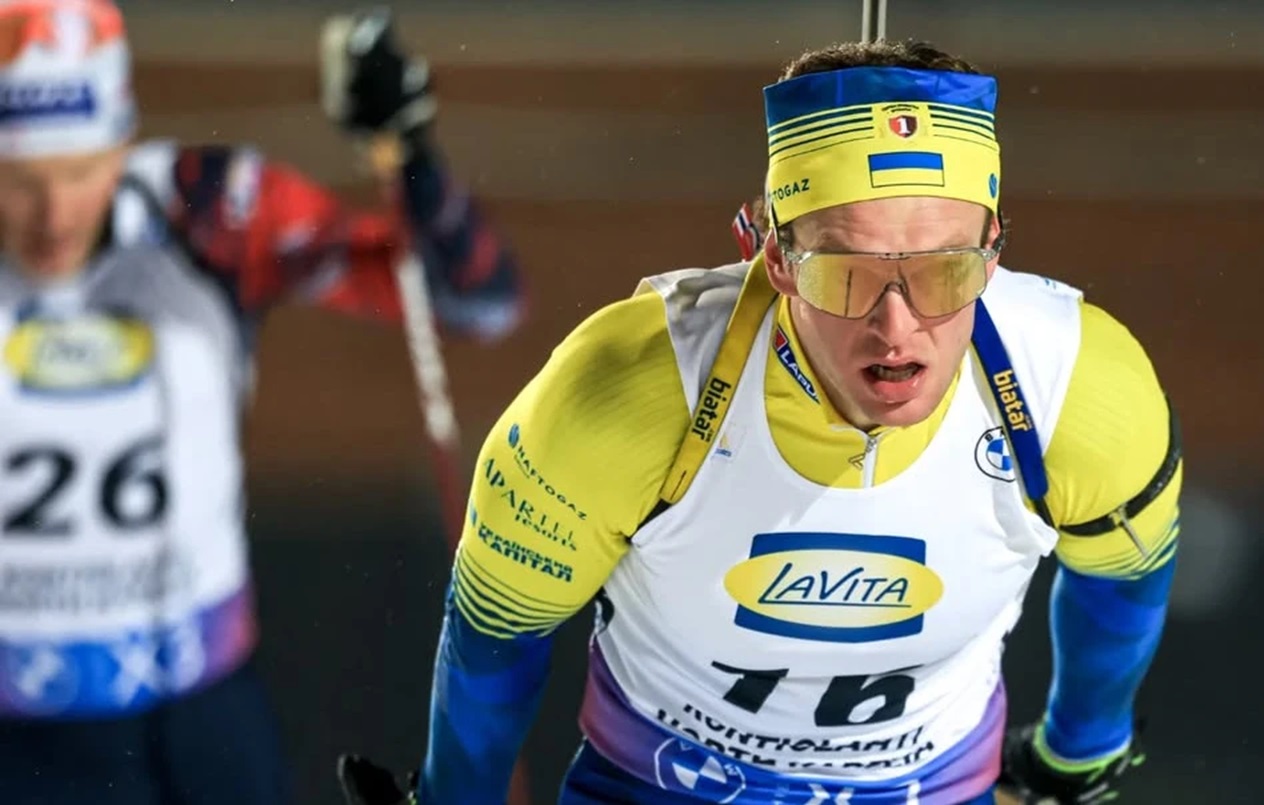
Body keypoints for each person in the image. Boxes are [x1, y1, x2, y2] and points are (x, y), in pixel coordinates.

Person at [341, 38, 1181, 805]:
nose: (897, 326)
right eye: (847, 274)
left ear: (993, 250)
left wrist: (1082, 749)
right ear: (775, 256)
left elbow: (1126, 577)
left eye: (944, 272)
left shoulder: (1074, 386)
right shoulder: (628, 394)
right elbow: (498, 626)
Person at [0, 2, 528, 803]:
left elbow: (477, 300)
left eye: (80, 174)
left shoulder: (203, 208)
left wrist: (410, 152)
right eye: (20, 181)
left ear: (121, 140)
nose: (54, 214)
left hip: (199, 715)